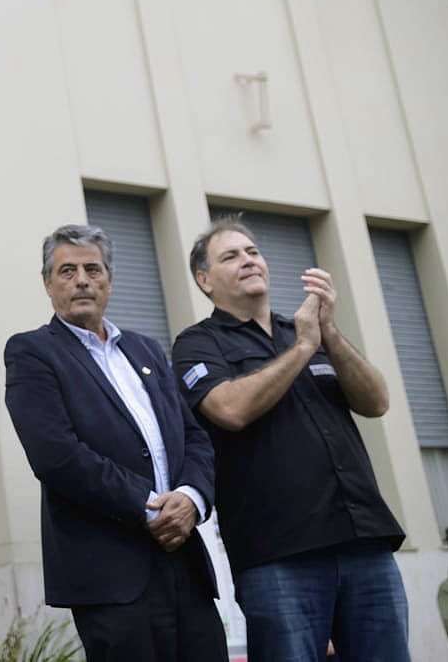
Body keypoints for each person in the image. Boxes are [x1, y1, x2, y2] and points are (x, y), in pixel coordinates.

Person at [172, 215, 408, 661]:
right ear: (205, 280)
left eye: (253, 252)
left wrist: (329, 333)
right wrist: (302, 348)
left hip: (364, 542)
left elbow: (376, 401)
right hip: (279, 555)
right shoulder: (198, 344)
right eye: (231, 256)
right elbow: (230, 409)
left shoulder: (309, 331)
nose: (248, 260)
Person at [4, 224, 227, 662]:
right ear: (48, 284)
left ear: (109, 279)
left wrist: (189, 497)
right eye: (66, 270)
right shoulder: (32, 352)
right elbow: (56, 455)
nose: (82, 280)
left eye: (93, 268)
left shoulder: (145, 351)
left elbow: (195, 437)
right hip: (110, 572)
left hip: (184, 560)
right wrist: (149, 507)